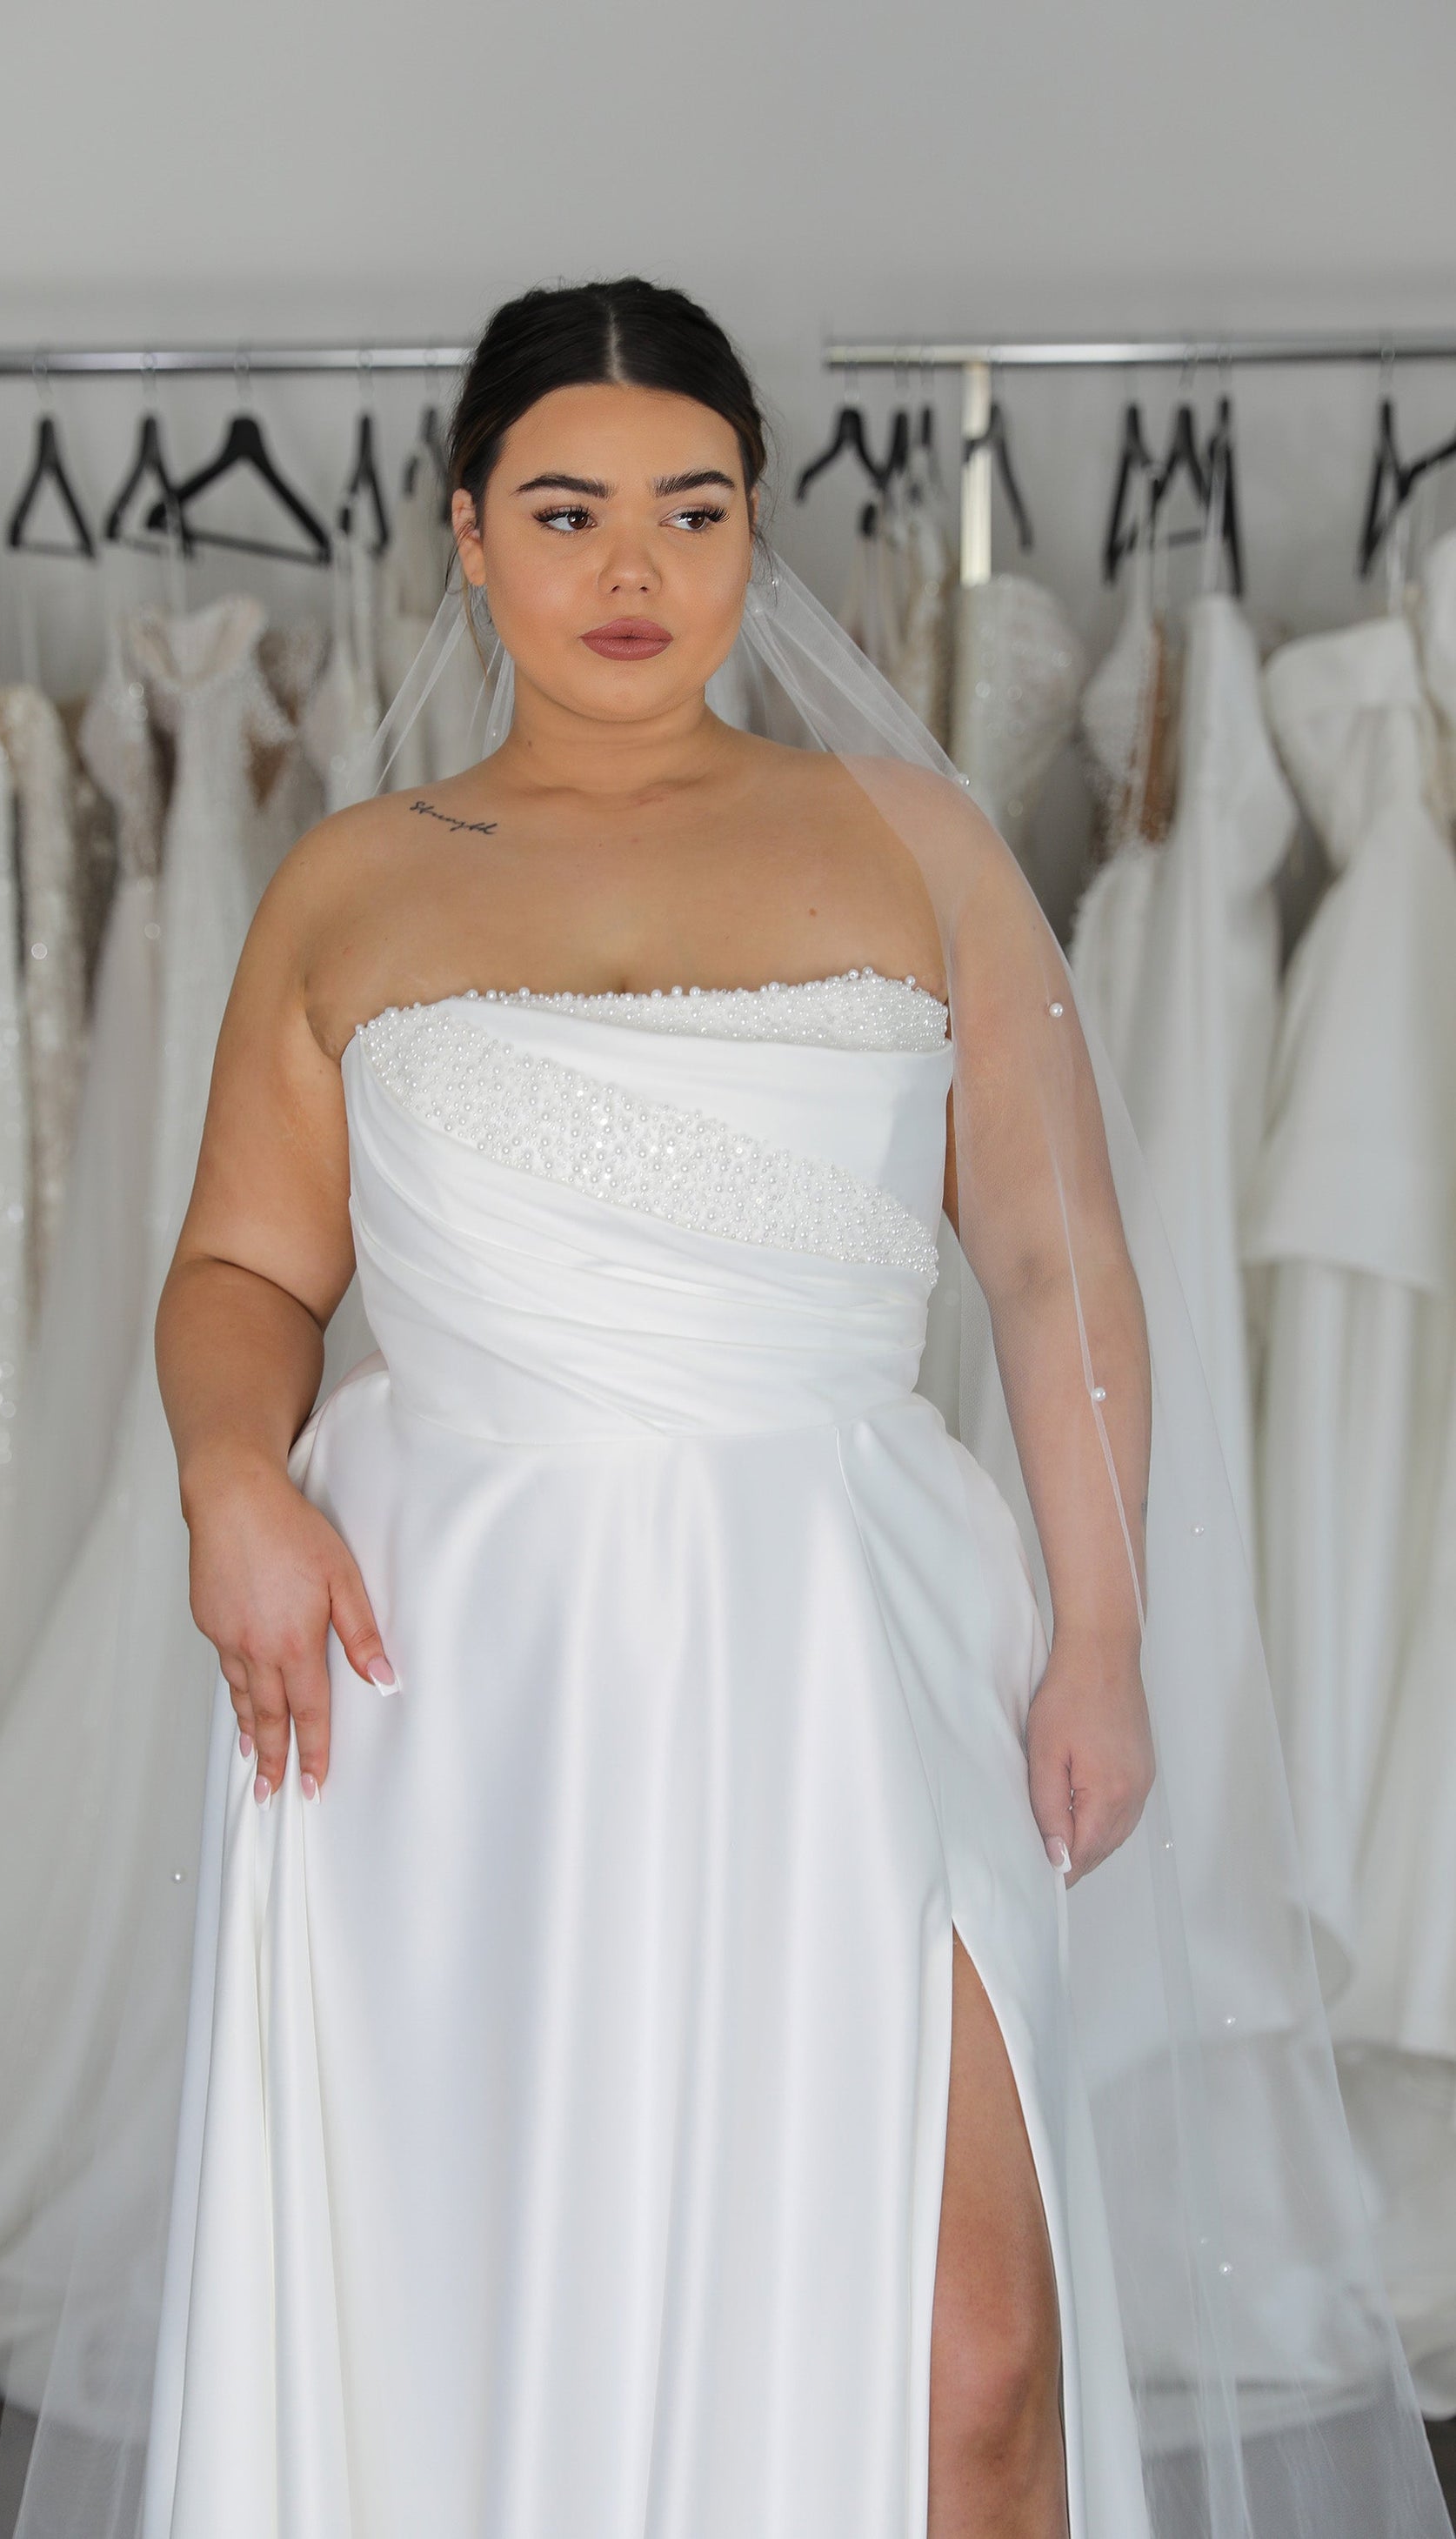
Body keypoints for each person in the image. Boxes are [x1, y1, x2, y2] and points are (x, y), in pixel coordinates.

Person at [131, 282, 1443, 2539]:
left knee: (975, 2359)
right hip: (457, 1670)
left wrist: (1101, 1635)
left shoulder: (916, 844)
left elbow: (1054, 1262)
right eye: (567, 511)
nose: (632, 568)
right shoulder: (352, 883)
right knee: (498, 2309)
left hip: (856, 1628)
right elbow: (246, 1271)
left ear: (756, 526)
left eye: (693, 507)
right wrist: (229, 1472)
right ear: (469, 532)